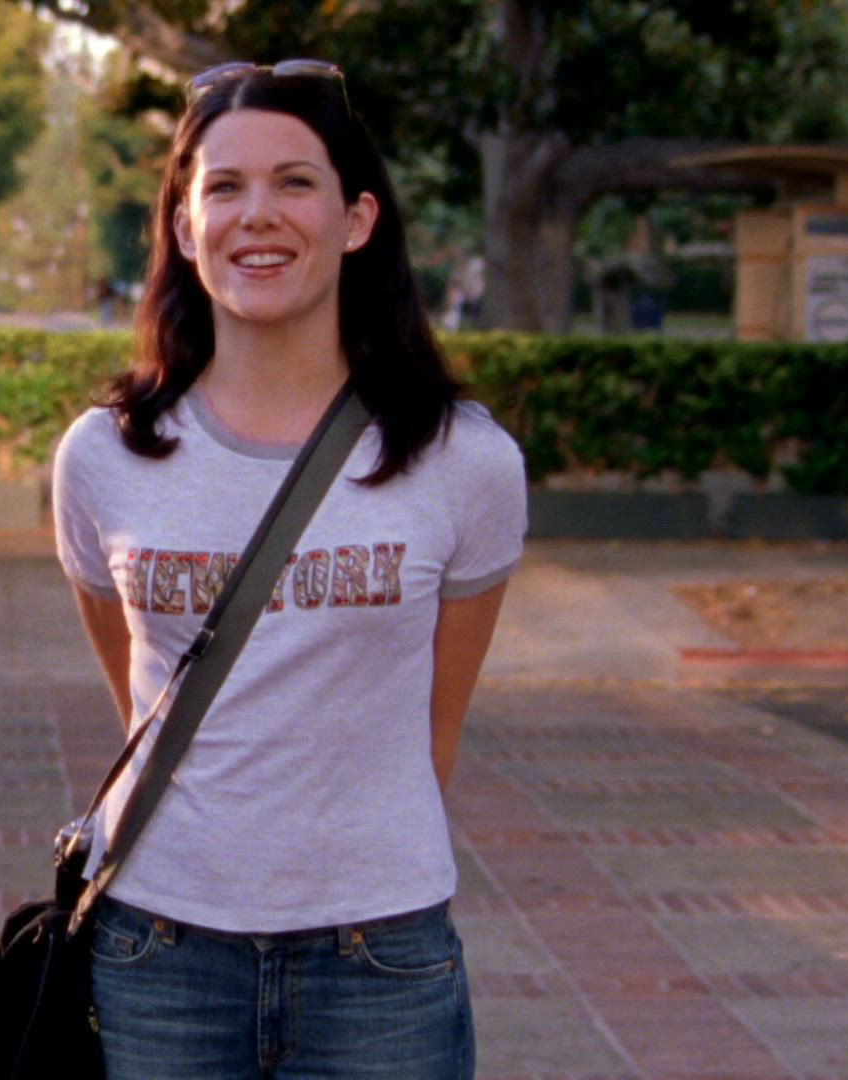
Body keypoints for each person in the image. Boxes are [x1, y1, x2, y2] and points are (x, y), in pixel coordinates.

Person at [51, 60, 526, 1079]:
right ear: (186, 229)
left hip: (380, 957)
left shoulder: (464, 460)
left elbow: (434, 728)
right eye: (224, 187)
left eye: (295, 182)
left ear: (357, 220)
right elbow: (138, 687)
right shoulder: (103, 456)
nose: (257, 214)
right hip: (158, 948)